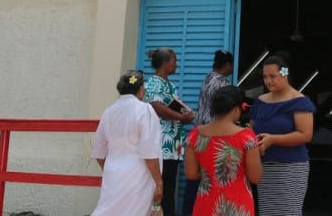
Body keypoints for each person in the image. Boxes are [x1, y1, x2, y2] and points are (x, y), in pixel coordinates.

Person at [248, 54, 316, 216]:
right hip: (264, 167)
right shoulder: (260, 101)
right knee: (268, 211)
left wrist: (273, 139)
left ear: (284, 74)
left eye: (273, 76)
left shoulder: (299, 101)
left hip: (291, 166)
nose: (268, 81)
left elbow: (305, 135)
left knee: (288, 211)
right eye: (265, 77)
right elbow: (250, 131)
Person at [90, 70, 164, 216]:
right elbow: (149, 153)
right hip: (139, 175)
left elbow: (99, 152)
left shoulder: (108, 112)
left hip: (113, 173)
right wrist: (159, 182)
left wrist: (111, 169)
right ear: (140, 88)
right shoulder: (144, 110)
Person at [185, 85, 262, 216]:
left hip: (206, 203)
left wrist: (211, 174)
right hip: (237, 205)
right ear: (236, 109)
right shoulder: (247, 137)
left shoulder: (195, 135)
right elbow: (255, 177)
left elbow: (191, 174)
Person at [181, 49, 235, 215]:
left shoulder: (207, 78)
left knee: (195, 178)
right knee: (212, 177)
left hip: (199, 134)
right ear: (227, 65)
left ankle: (188, 211)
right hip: (214, 135)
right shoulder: (223, 84)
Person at [145, 47, 195, 216]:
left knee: (169, 188)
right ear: (165, 62)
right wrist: (182, 118)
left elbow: (172, 106)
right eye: (174, 61)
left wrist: (186, 112)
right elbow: (156, 106)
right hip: (161, 147)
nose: (176, 65)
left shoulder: (170, 85)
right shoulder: (152, 83)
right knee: (161, 188)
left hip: (173, 147)